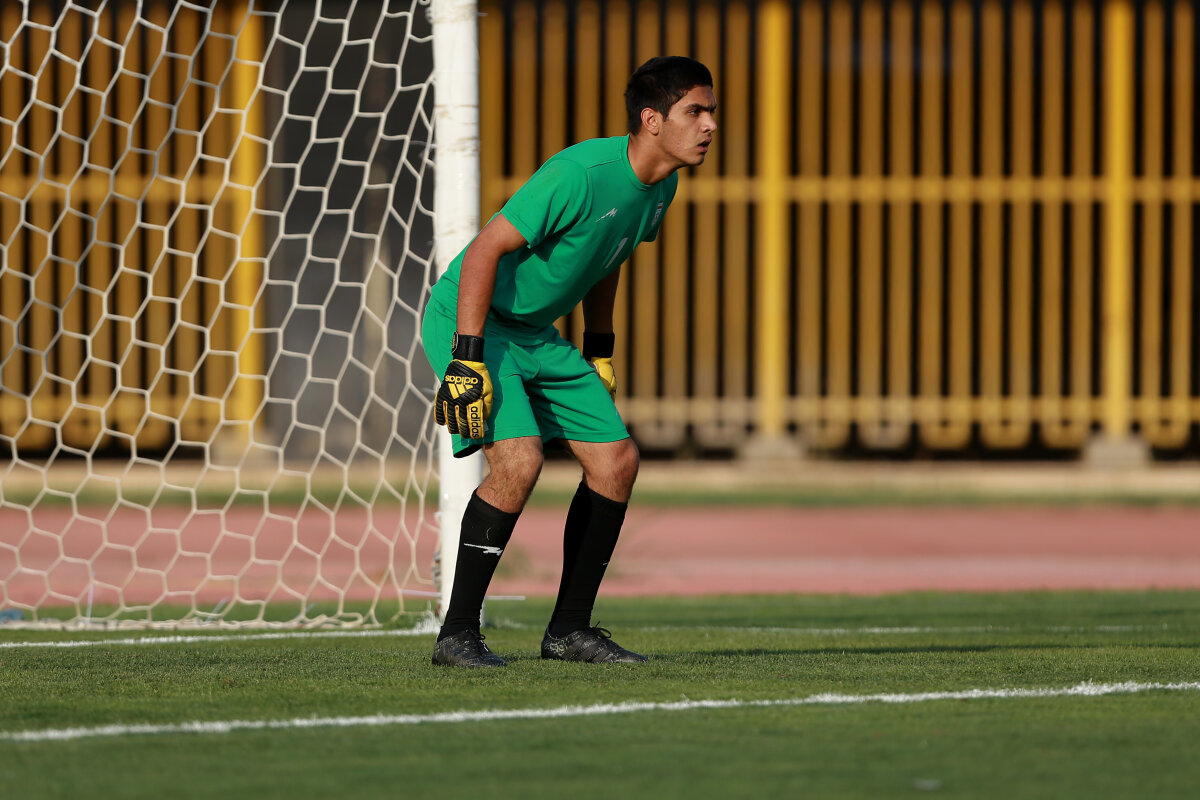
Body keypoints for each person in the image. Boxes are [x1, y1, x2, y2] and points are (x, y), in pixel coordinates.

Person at [422, 56, 717, 667]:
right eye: (695, 111)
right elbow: (482, 252)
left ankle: (569, 632)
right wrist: (468, 359)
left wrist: (599, 350)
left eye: (710, 111)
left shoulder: (662, 185)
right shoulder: (580, 174)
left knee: (617, 461)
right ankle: (457, 635)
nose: (710, 124)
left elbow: (609, 257)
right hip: (472, 321)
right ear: (652, 120)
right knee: (520, 461)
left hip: (534, 333)